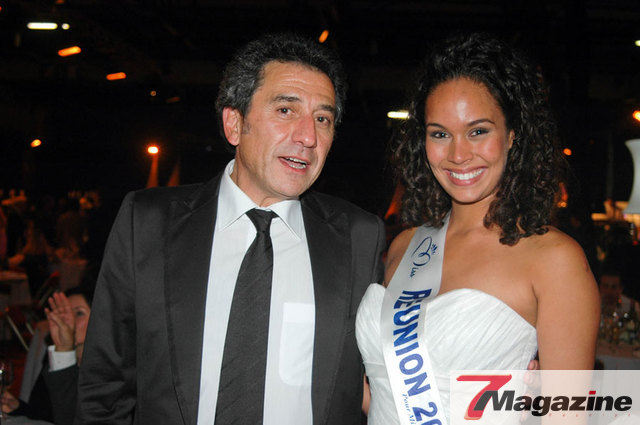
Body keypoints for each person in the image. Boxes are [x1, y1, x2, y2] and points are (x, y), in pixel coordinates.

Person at [76, 33, 385, 425]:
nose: (308, 137)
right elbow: (105, 390)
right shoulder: (148, 222)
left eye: (322, 119)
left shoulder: (359, 237)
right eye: (286, 110)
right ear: (234, 124)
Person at [355, 32, 600, 424]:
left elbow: (567, 418)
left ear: (512, 136)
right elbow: (382, 397)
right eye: (440, 134)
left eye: (478, 131)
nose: (458, 154)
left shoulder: (555, 260)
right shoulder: (405, 246)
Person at [1, 285, 93, 425]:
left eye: (79, 313)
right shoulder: (55, 359)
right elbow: (45, 414)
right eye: (64, 313)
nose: (68, 320)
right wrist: (18, 407)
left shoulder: (106, 370)